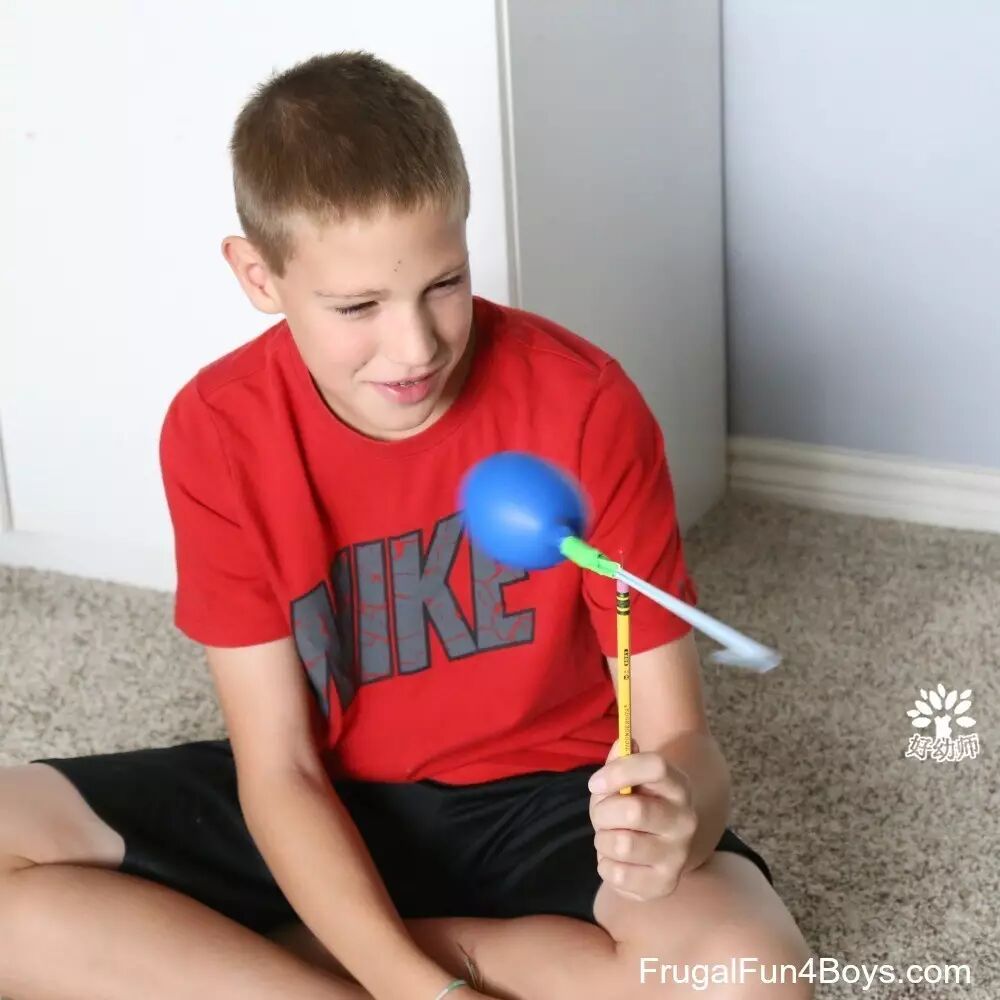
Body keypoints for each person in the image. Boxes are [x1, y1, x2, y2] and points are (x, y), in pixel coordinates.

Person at [0, 52, 811, 999]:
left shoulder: (584, 403)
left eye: (444, 283)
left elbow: (683, 744)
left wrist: (682, 817)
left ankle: (267, 956)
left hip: (553, 801)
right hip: (324, 802)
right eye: (359, 306)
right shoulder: (217, 431)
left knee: (752, 977)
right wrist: (420, 989)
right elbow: (278, 767)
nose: (416, 346)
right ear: (258, 274)